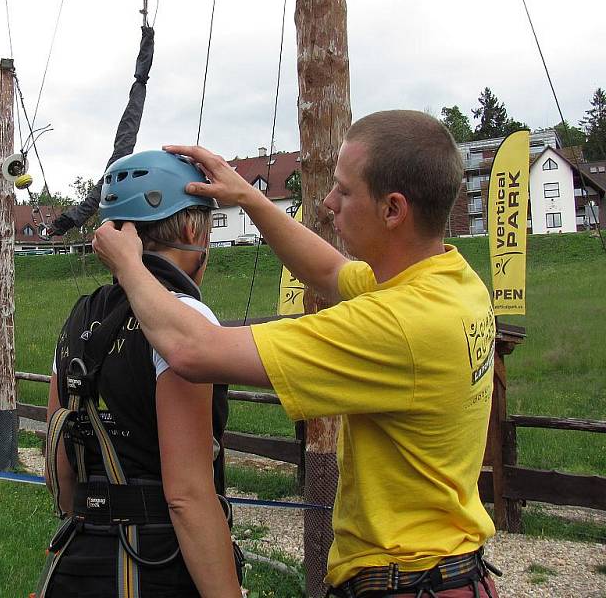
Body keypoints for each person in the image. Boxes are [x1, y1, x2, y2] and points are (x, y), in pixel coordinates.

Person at [92, 111, 501, 597]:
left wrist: (129, 265)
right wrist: (248, 197)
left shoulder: (399, 325)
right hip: (442, 572)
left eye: (344, 192)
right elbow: (328, 271)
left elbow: (192, 348)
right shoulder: (450, 284)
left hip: (406, 582)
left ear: (393, 209)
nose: (327, 204)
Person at [42, 150, 242, 598]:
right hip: (154, 560)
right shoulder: (185, 317)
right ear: (193, 229)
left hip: (78, 557)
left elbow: (59, 459)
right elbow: (187, 496)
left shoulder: (80, 318)